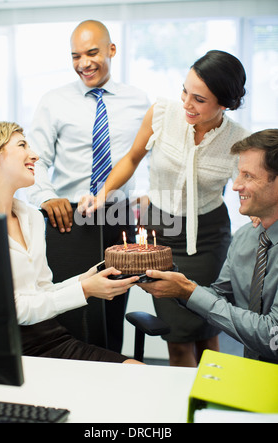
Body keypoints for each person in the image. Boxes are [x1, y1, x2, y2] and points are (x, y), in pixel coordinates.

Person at [79, 50, 250, 367]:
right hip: (162, 232)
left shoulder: (239, 140)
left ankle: (210, 409)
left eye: (199, 99)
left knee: (208, 329)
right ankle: (180, 412)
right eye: (185, 90)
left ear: (225, 103)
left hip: (209, 235)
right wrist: (101, 194)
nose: (187, 103)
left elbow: (249, 189)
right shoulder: (162, 112)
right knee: (178, 335)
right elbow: (131, 159)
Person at [26, 20, 151, 353]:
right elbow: (34, 159)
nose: (84, 63)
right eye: (76, 55)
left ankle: (113, 381)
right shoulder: (54, 101)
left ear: (111, 50)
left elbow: (147, 156)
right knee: (72, 312)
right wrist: (46, 197)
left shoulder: (139, 101)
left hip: (118, 216)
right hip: (69, 217)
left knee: (112, 314)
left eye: (92, 52)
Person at [0, 121, 142, 365]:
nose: (35, 154)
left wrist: (85, 279)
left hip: (48, 337)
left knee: (136, 369)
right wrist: (85, 291)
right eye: (22, 145)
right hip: (1, 350)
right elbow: (10, 309)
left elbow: (42, 290)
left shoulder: (31, 217)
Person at [139, 129, 278, 364]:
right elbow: (220, 297)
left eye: (248, 176)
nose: (235, 186)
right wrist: (178, 288)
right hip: (253, 374)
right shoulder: (246, 238)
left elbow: (271, 336)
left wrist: (189, 290)